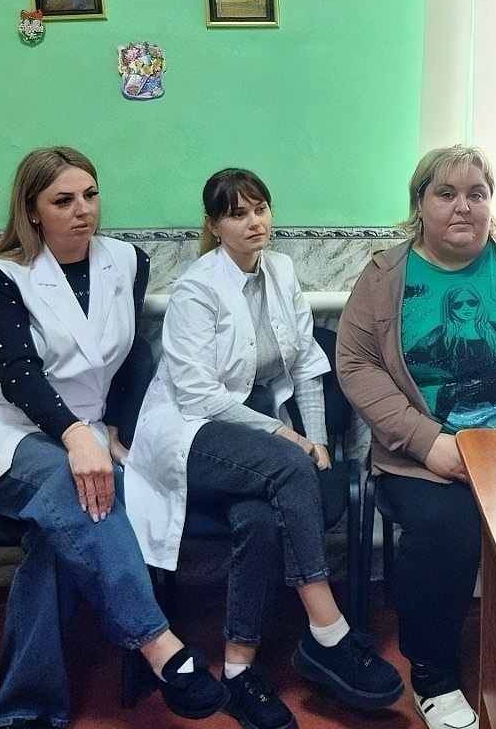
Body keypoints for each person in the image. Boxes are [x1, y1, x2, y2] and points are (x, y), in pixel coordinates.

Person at [0, 147, 226, 729]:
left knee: (58, 536)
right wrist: (75, 437)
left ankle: (25, 712)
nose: (82, 210)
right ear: (32, 210)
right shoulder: (2, 277)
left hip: (83, 434)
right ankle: (158, 644)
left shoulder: (127, 262)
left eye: (90, 195)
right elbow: (18, 374)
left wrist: (111, 427)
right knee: (77, 485)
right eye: (63, 200)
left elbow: (128, 354)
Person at [125, 168, 404, 729]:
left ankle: (238, 670)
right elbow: (198, 395)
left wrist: (317, 439)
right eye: (237, 214)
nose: (254, 222)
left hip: (247, 438)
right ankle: (327, 631)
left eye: (260, 209)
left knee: (258, 516)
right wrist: (286, 436)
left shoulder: (280, 270)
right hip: (189, 434)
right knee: (286, 464)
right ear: (214, 225)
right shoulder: (197, 290)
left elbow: (305, 366)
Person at [337, 145, 496, 729]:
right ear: (420, 204)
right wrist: (427, 441)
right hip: (423, 459)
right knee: (448, 527)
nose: (463, 206)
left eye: (477, 194)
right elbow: (356, 364)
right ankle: (434, 677)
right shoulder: (385, 276)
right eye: (446, 194)